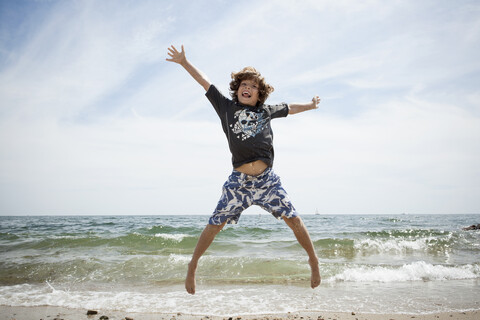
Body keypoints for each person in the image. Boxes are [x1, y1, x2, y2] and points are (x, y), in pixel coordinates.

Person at [166, 45, 321, 295]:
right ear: (237, 89)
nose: (247, 88)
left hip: (267, 181)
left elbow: (290, 108)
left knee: (293, 218)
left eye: (253, 86)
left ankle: (313, 260)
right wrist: (184, 62)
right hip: (239, 182)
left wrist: (311, 105)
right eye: (243, 85)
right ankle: (193, 265)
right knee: (215, 223)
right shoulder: (226, 108)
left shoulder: (265, 111)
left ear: (259, 94)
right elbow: (204, 82)